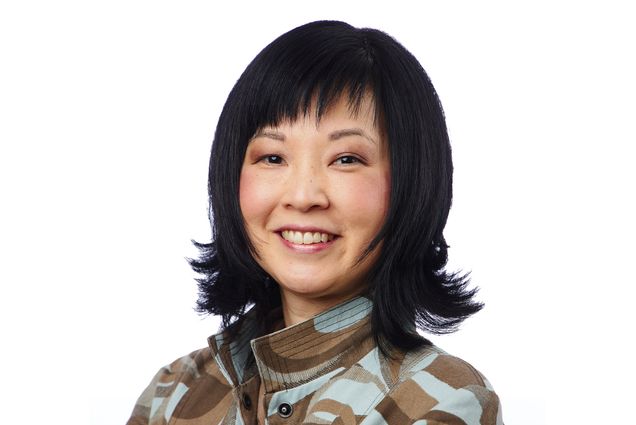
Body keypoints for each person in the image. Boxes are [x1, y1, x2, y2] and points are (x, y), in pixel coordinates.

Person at [127, 20, 503, 425]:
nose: (303, 196)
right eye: (272, 157)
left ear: (413, 182)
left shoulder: (440, 398)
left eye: (346, 159)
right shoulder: (174, 392)